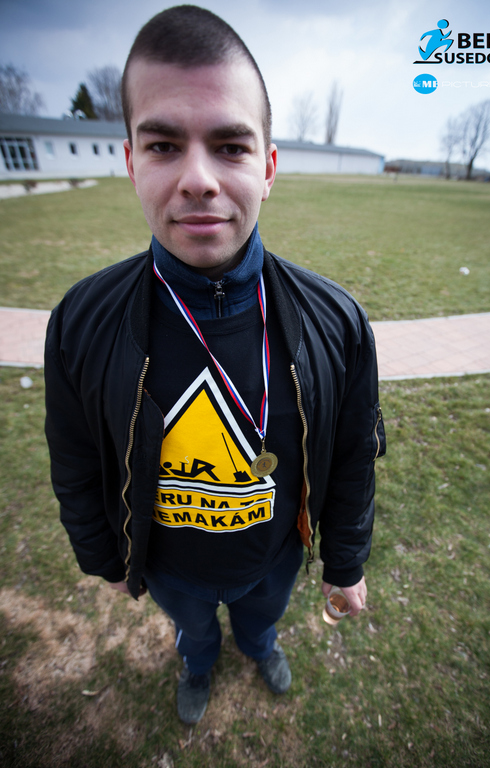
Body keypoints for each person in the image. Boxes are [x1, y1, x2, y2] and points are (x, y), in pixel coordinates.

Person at [44, 5, 385, 725]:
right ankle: (197, 663)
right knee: (195, 631)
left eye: (230, 146)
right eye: (164, 145)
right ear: (131, 162)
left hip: (274, 558)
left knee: (261, 618)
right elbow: (73, 456)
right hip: (170, 568)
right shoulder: (81, 319)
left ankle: (260, 646)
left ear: (268, 168)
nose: (198, 179)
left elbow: (355, 453)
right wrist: (103, 557)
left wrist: (346, 563)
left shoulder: (337, 321)